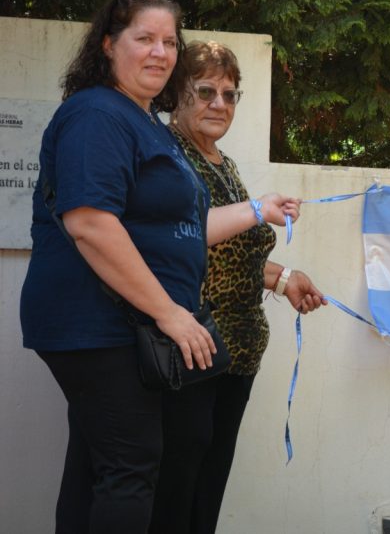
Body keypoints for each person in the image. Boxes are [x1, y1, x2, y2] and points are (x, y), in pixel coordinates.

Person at [20, 0, 299, 533]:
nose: (160, 52)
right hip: (99, 323)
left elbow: (186, 230)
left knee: (100, 469)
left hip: (131, 326)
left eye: (169, 41)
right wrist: (172, 313)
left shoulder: (145, 122)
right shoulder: (97, 113)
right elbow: (90, 224)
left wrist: (257, 213)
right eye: (144, 38)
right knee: (131, 467)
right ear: (108, 44)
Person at [149, 41, 327, 534]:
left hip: (237, 356)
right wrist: (255, 210)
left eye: (229, 95)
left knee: (206, 492)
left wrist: (285, 278)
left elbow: (232, 254)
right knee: (175, 493)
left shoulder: (222, 163)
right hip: (191, 349)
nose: (220, 104)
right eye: (206, 91)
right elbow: (180, 234)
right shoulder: (168, 154)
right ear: (177, 94)